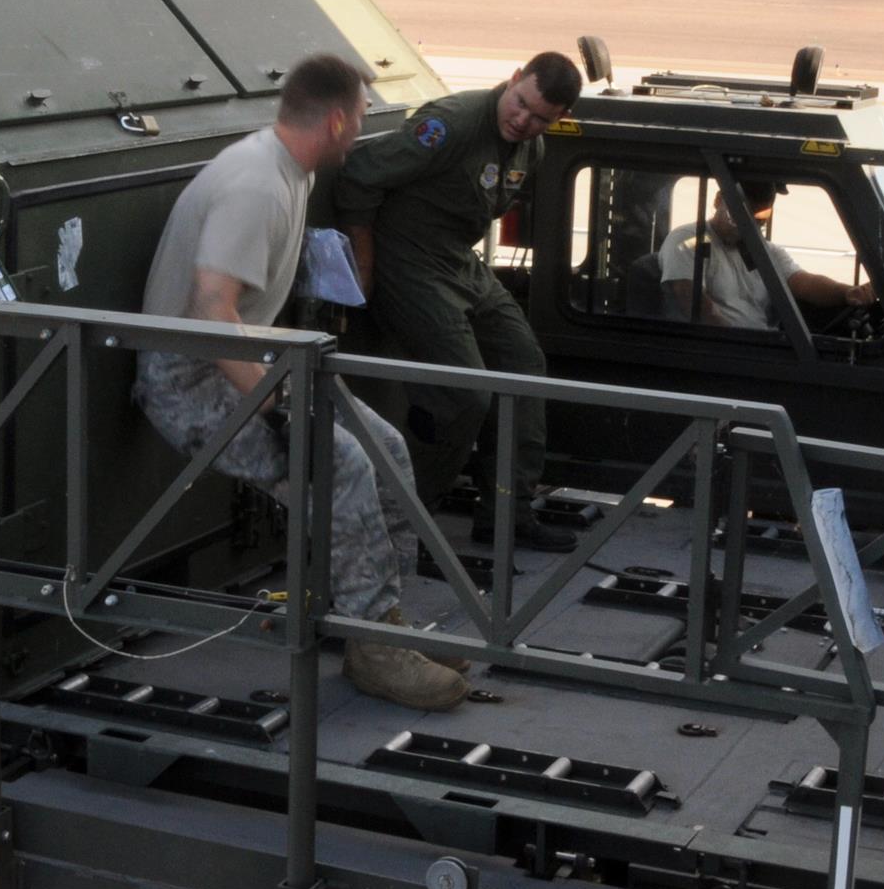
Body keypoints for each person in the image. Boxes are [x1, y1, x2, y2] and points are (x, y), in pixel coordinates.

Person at [134, 54, 463, 712]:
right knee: (337, 462)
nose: (363, 129)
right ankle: (374, 650)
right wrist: (281, 403)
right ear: (337, 120)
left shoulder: (287, 170)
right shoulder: (257, 182)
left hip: (242, 359)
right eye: (362, 117)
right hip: (189, 375)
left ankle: (379, 620)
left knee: (386, 449)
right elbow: (210, 308)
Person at [332, 51, 579, 540]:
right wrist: (363, 262)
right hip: (409, 264)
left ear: (559, 119)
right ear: (512, 80)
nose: (523, 120)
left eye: (540, 118)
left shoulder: (531, 149)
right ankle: (401, 521)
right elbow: (359, 174)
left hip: (458, 264)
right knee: (465, 395)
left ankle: (507, 514)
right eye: (521, 103)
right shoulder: (453, 125)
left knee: (524, 366)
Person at [657, 179, 875, 330]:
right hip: (721, 352)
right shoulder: (690, 241)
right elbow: (694, 304)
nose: (747, 228)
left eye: (759, 220)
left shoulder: (763, 251)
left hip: (762, 345)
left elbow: (804, 283)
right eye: (738, 218)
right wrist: (741, 345)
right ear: (717, 201)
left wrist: (847, 293)